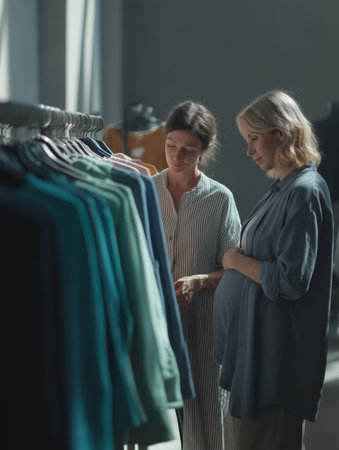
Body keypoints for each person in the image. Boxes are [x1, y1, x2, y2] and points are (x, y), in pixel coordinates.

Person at [213, 90, 334, 450]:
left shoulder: (304, 192)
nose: (249, 150)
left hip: (276, 359)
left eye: (253, 138)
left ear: (279, 133)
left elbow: (290, 280)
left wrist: (235, 261)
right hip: (257, 352)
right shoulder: (282, 189)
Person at [153, 100, 241, 450]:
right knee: (151, 421)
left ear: (204, 150)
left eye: (189, 150)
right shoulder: (144, 193)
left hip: (203, 327)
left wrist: (199, 281)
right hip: (154, 325)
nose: (177, 156)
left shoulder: (220, 199)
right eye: (171, 146)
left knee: (206, 426)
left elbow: (232, 267)